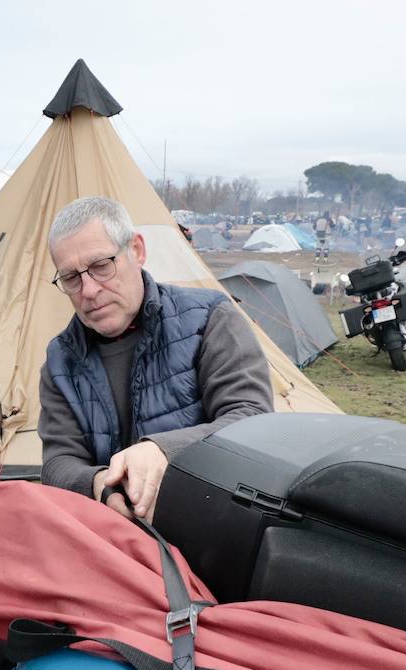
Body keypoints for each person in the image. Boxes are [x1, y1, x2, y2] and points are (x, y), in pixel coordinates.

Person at [38, 196, 273, 521]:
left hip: (209, 528)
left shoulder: (208, 320)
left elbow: (252, 418)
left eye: (101, 266)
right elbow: (58, 463)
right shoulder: (60, 360)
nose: (88, 290)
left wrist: (164, 450)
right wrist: (100, 486)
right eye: (71, 278)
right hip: (114, 540)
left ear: (136, 250)